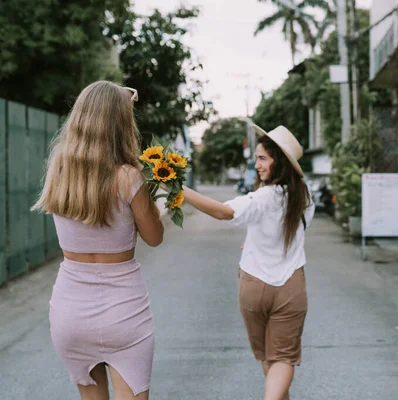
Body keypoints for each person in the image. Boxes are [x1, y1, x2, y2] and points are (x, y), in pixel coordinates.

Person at [31, 81, 164, 400]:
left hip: (70, 312)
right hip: (124, 313)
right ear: (121, 124)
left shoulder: (59, 171)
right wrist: (157, 204)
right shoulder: (130, 177)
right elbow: (154, 237)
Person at [182, 125, 315, 400]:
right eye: (256, 158)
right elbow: (288, 233)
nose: (257, 165)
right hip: (291, 285)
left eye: (263, 158)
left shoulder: (262, 197)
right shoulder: (305, 196)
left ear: (279, 160)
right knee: (283, 357)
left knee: (270, 358)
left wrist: (178, 189)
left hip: (254, 284)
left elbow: (223, 212)